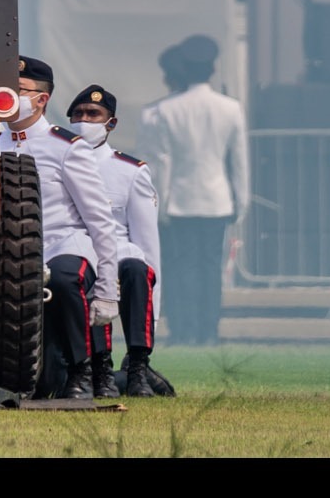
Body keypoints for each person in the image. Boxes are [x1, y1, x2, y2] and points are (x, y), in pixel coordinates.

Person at [0, 55, 119, 401]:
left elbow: (99, 220)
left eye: (19, 90)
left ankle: (83, 370)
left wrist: (108, 289)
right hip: (6, 252)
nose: (10, 96)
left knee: (66, 279)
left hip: (61, 245)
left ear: (42, 99)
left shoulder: (67, 147)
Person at [64, 84, 166, 398]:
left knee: (137, 268)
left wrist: (156, 309)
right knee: (88, 273)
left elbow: (148, 243)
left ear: (111, 123)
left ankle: (138, 367)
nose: (85, 120)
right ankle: (102, 369)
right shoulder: (59, 159)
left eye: (94, 114)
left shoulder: (129, 171)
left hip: (120, 254)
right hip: (74, 251)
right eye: (78, 114)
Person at [146, 34, 248, 346]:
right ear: (212, 68)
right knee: (210, 270)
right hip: (217, 200)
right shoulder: (230, 108)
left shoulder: (165, 110)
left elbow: (161, 164)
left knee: (182, 268)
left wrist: (158, 206)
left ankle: (185, 329)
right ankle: (209, 330)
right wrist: (240, 202)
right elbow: (239, 162)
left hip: (179, 200)